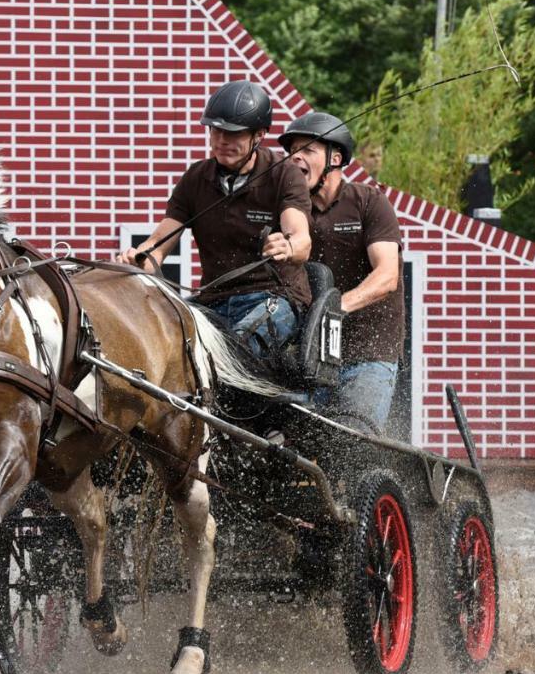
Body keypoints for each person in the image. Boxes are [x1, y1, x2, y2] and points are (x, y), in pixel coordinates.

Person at [118, 81, 313, 360]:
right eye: (216, 131)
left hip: (275, 298)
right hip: (213, 301)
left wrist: (289, 247)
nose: (222, 140)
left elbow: (302, 240)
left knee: (232, 352)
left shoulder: (284, 175)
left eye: (233, 134)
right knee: (167, 345)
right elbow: (157, 247)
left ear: (259, 135)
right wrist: (138, 259)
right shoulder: (195, 178)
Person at [278, 111, 405, 432]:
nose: (296, 159)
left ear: (335, 158)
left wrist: (334, 310)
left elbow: (388, 276)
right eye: (291, 152)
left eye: (307, 151)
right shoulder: (290, 212)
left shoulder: (367, 202)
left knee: (351, 442)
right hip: (308, 360)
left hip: (368, 355)